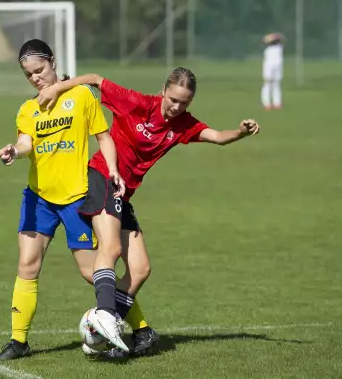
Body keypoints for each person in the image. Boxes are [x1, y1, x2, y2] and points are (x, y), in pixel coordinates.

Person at [37, 66, 261, 357]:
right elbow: (95, 80)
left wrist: (241, 132)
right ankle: (105, 315)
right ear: (163, 92)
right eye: (174, 99)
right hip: (103, 176)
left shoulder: (183, 124)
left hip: (123, 194)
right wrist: (56, 89)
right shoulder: (138, 103)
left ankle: (101, 330)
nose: (178, 107)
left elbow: (217, 136)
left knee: (141, 269)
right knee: (111, 247)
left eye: (185, 102)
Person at [0, 39, 142, 360]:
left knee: (91, 272)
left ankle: (142, 328)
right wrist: (13, 151)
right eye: (28, 74)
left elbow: (103, 137)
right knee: (27, 264)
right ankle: (18, 342)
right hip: (39, 198)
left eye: (39, 69)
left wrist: (113, 170)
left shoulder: (81, 96)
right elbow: (25, 143)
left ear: (53, 62)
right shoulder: (27, 109)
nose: (35, 78)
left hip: (76, 198)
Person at [261, 33, 284, 110]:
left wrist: (273, 36)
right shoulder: (269, 50)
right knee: (268, 84)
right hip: (269, 67)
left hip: (276, 67)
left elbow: (279, 37)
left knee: (276, 85)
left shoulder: (278, 48)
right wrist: (271, 37)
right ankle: (267, 104)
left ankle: (277, 103)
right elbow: (265, 39)